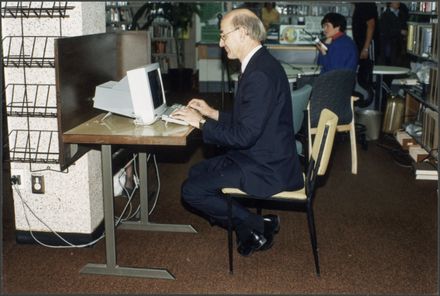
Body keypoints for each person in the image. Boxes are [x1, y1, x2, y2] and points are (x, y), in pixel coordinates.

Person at [172, 8, 304, 257]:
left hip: (267, 166)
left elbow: (244, 135)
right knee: (197, 171)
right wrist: (213, 113)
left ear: (243, 33)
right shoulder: (259, 63)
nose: (221, 43)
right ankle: (250, 229)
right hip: (266, 153)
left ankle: (259, 225)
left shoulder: (259, 74)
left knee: (191, 190)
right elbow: (250, 120)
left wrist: (200, 123)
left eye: (224, 36)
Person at [379, 2, 410, 67]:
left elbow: (405, 24)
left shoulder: (402, 13)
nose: (397, 2)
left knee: (400, 64)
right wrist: (399, 31)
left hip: (400, 44)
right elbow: (385, 30)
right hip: (390, 44)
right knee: (390, 64)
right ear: (390, 3)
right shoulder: (385, 15)